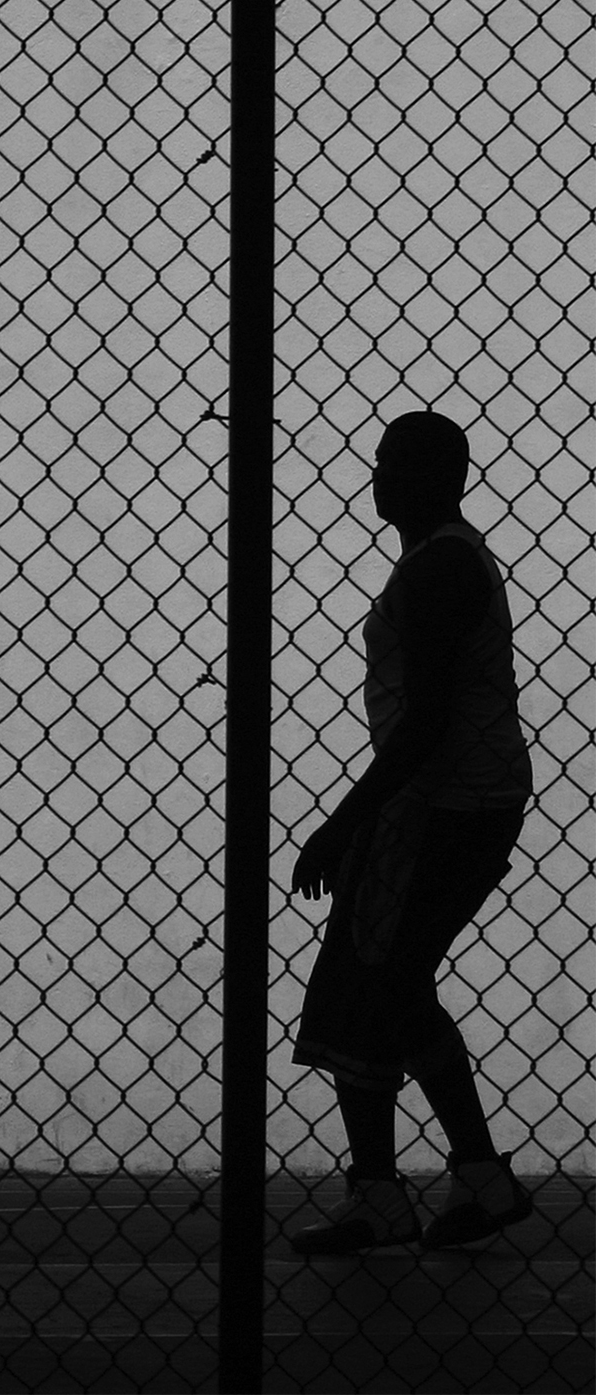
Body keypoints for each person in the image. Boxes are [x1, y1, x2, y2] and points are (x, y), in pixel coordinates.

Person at [287, 411, 537, 1254]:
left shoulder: (437, 571)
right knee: (386, 979)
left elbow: (425, 722)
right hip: (451, 804)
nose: (377, 475)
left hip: (443, 808)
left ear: (439, 476)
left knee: (377, 977)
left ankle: (410, 1186)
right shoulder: (443, 560)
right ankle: (448, 1181)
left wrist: (339, 824)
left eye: (394, 463)